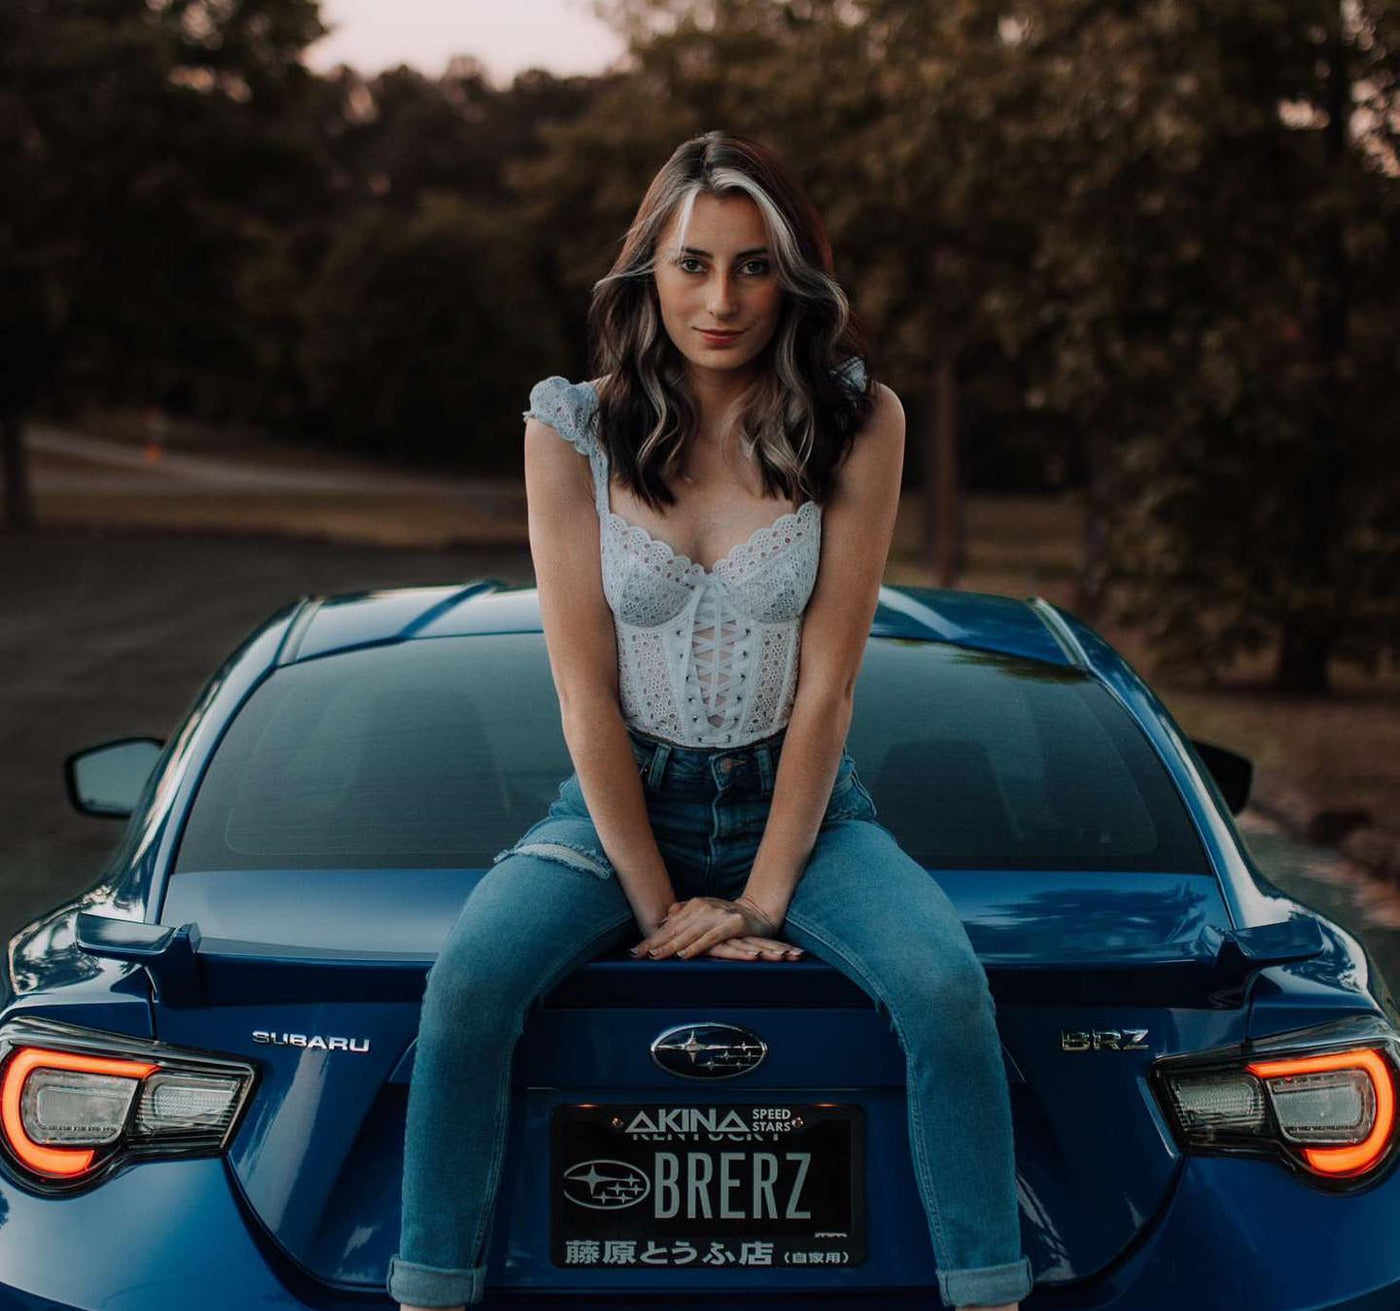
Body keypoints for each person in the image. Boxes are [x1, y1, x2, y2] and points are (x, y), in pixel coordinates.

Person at [387, 129, 1033, 1311]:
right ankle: (428, 1291)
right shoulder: (570, 429)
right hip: (618, 806)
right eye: (692, 265)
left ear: (792, 279)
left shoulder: (857, 420)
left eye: (751, 267)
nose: (720, 300)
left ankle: (987, 1291)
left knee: (944, 991)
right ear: (650, 271)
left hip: (804, 812)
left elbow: (828, 687)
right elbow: (583, 693)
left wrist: (760, 902)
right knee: (470, 985)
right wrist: (663, 913)